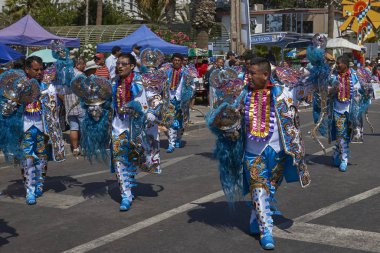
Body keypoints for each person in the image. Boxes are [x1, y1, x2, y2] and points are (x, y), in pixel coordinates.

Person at [207, 57, 311, 250]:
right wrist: (227, 123)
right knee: (259, 190)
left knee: (270, 190)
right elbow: (227, 118)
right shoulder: (242, 94)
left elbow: (306, 91)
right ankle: (266, 231)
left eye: (253, 73)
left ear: (265, 74)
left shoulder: (283, 92)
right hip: (252, 153)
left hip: (279, 152)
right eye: (248, 72)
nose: (249, 76)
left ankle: (255, 216)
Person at [22, 56, 65, 205]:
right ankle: (29, 190)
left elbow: (59, 94)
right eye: (36, 69)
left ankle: (39, 184)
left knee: (42, 158)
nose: (39, 72)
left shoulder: (48, 85)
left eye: (41, 69)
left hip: (43, 128)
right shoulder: (19, 84)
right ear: (27, 69)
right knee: (27, 159)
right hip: (25, 127)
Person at [328, 56, 369, 171]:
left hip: (352, 111)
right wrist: (332, 90)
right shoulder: (333, 76)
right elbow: (325, 90)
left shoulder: (355, 75)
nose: (337, 65)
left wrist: (366, 90)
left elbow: (362, 89)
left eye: (339, 63)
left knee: (347, 135)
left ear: (345, 64)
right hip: (337, 110)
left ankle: (336, 153)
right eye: (336, 63)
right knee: (341, 135)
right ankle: (344, 159)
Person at [161, 53, 189, 153]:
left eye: (178, 60)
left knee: (181, 122)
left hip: (181, 100)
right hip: (170, 99)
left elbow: (191, 87)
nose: (176, 62)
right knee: (171, 121)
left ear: (181, 62)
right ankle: (171, 143)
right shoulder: (167, 71)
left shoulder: (186, 72)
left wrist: (187, 96)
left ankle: (178, 139)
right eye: (175, 60)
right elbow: (162, 83)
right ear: (172, 61)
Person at [64, 57, 86, 157]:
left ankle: (75, 149)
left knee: (73, 128)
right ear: (77, 65)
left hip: (69, 104)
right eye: (83, 64)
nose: (84, 66)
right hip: (79, 103)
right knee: (83, 127)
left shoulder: (64, 74)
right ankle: (84, 147)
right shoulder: (80, 75)